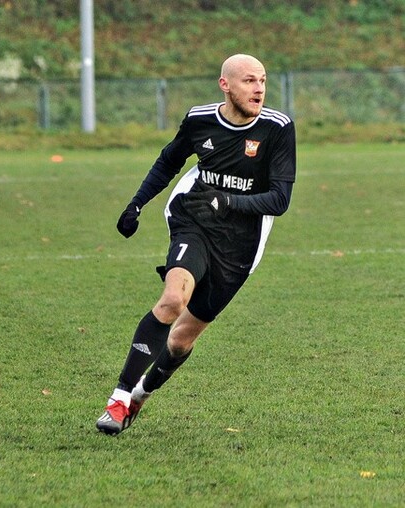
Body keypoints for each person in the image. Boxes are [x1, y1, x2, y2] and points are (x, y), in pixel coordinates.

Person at [96, 54, 296, 435]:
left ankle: (140, 395)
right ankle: (119, 400)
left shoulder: (278, 128)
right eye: (249, 81)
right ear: (225, 85)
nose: (258, 89)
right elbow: (168, 161)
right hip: (195, 221)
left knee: (183, 339)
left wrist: (229, 201)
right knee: (172, 300)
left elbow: (279, 200)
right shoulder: (200, 119)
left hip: (241, 246)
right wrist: (137, 203)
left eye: (263, 81)